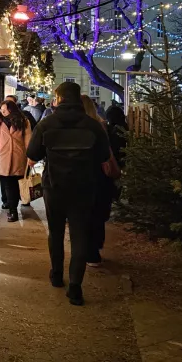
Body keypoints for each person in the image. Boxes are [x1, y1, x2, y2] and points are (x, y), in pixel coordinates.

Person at [26, 82, 110, 306]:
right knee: (80, 235)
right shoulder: (93, 126)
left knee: (55, 232)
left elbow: (32, 152)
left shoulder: (47, 124)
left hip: (54, 187)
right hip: (84, 188)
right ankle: (75, 287)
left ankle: (56, 275)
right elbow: (103, 156)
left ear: (59, 98)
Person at [82, 96, 117, 267]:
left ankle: (90, 250)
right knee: (98, 211)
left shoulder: (85, 127)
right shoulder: (101, 124)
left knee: (87, 213)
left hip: (87, 174)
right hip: (101, 175)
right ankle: (95, 247)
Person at [0, 100, 31, 222]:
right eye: (1, 110)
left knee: (16, 185)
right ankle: (13, 211)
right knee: (8, 186)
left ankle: (13, 207)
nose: (2, 112)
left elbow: (28, 141)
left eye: (5, 109)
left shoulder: (24, 122)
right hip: (3, 158)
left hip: (18, 158)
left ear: (11, 109)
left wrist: (31, 157)